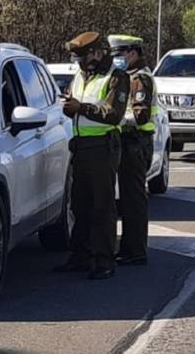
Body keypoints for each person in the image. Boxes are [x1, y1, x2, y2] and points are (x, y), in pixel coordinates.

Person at [56, 31, 130, 280]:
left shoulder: (116, 77)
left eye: (83, 57)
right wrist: (69, 108)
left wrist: (81, 108)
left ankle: (104, 260)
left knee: (103, 206)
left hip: (103, 148)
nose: (79, 63)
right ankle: (81, 256)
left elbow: (113, 113)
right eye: (77, 59)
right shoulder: (80, 75)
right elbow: (75, 105)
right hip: (81, 147)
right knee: (80, 205)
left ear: (97, 52)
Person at [108, 34, 157, 266]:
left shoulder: (140, 79)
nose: (117, 59)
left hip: (136, 143)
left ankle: (135, 250)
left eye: (120, 54)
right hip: (130, 142)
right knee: (128, 199)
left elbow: (140, 116)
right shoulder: (128, 77)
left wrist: (115, 119)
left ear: (133, 53)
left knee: (133, 199)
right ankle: (128, 248)